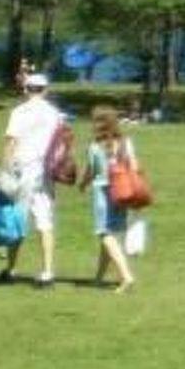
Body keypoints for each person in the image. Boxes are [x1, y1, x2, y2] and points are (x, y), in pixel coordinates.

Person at [0, 72, 64, 286]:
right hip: (45, 171)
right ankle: (47, 271)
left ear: (26, 89)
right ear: (45, 90)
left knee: (17, 219)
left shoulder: (19, 112)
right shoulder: (55, 114)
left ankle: (11, 268)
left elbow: (11, 142)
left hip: (22, 169)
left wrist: (3, 170)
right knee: (45, 221)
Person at [76, 106, 138, 292]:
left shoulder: (95, 146)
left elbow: (91, 171)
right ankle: (99, 278)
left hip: (103, 192)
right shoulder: (126, 142)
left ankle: (126, 276)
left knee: (105, 234)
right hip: (122, 192)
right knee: (110, 234)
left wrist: (82, 184)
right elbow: (134, 167)